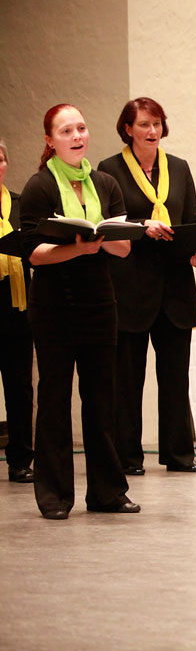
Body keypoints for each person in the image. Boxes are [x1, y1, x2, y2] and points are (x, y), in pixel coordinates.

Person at [18, 104, 139, 519]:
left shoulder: (105, 183)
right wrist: (77, 248)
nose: (77, 136)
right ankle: (54, 495)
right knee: (54, 400)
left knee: (102, 400)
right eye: (66, 131)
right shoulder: (39, 186)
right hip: (54, 305)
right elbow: (33, 254)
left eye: (81, 128)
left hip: (99, 303)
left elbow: (124, 248)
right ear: (50, 141)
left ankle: (107, 492)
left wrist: (101, 238)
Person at [98, 97, 196, 476]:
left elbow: (191, 219)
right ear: (128, 129)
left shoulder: (178, 166)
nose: (152, 131)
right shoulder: (110, 170)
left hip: (175, 286)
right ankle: (128, 456)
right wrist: (143, 227)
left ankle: (179, 453)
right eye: (144, 124)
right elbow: (108, 225)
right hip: (131, 285)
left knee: (175, 376)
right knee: (128, 379)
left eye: (157, 123)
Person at [0, 138, 34, 483]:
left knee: (20, 386)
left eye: (0, 159)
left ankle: (21, 459)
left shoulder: (20, 204)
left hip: (17, 306)